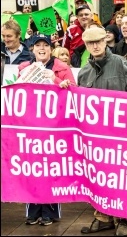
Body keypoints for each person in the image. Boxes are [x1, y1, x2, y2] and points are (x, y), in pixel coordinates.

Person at [78, 26, 127, 236]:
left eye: (99, 41)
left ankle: (123, 220)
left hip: (120, 135)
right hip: (94, 136)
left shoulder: (120, 63)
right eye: (91, 43)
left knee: (119, 177)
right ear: (86, 45)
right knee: (97, 176)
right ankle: (102, 217)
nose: (96, 45)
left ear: (105, 40)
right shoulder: (84, 72)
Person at [17, 34, 75, 226]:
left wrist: (56, 81)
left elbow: (74, 92)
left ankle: (49, 211)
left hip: (54, 128)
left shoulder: (62, 68)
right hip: (31, 127)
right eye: (37, 45)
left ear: (51, 48)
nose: (42, 48)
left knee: (51, 169)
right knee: (32, 169)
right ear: (32, 49)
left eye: (45, 45)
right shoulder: (24, 69)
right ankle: (33, 211)